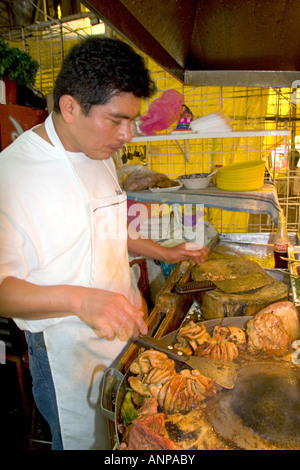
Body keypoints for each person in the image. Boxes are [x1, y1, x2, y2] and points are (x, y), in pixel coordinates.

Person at [0, 36, 208, 450]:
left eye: (131, 120)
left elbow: (105, 227)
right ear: (70, 107)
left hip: (121, 331)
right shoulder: (13, 176)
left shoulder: (98, 152)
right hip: (66, 349)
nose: (127, 134)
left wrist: (162, 252)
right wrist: (84, 301)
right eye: (116, 120)